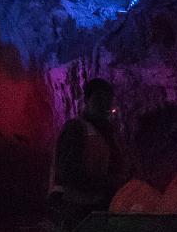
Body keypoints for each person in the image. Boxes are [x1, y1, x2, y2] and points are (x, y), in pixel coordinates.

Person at [48, 78, 129, 224]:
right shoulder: (76, 129)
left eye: (107, 101)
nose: (103, 105)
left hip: (100, 204)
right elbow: (69, 174)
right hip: (73, 208)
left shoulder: (109, 133)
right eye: (98, 100)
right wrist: (109, 182)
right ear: (87, 101)